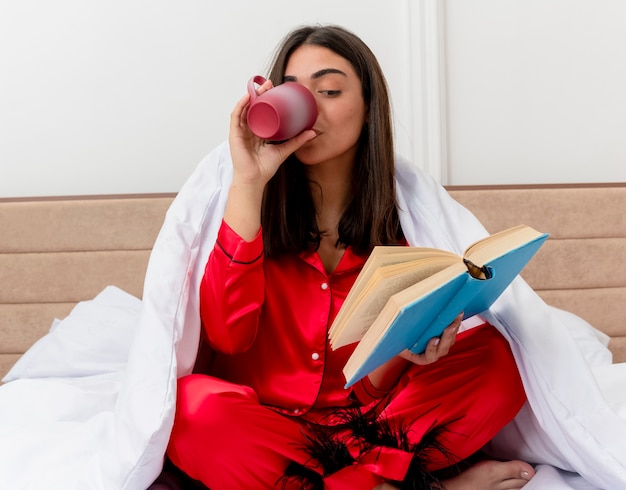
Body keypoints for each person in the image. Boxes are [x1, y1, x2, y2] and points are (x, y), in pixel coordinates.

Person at [164, 25, 535, 489]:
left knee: (498, 360)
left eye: (330, 89)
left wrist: (409, 349)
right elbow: (226, 336)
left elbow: (368, 387)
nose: (310, 106)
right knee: (189, 409)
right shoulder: (246, 211)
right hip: (270, 428)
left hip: (378, 427)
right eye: (295, 92)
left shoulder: (407, 229)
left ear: (367, 109)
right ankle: (412, 485)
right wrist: (248, 181)